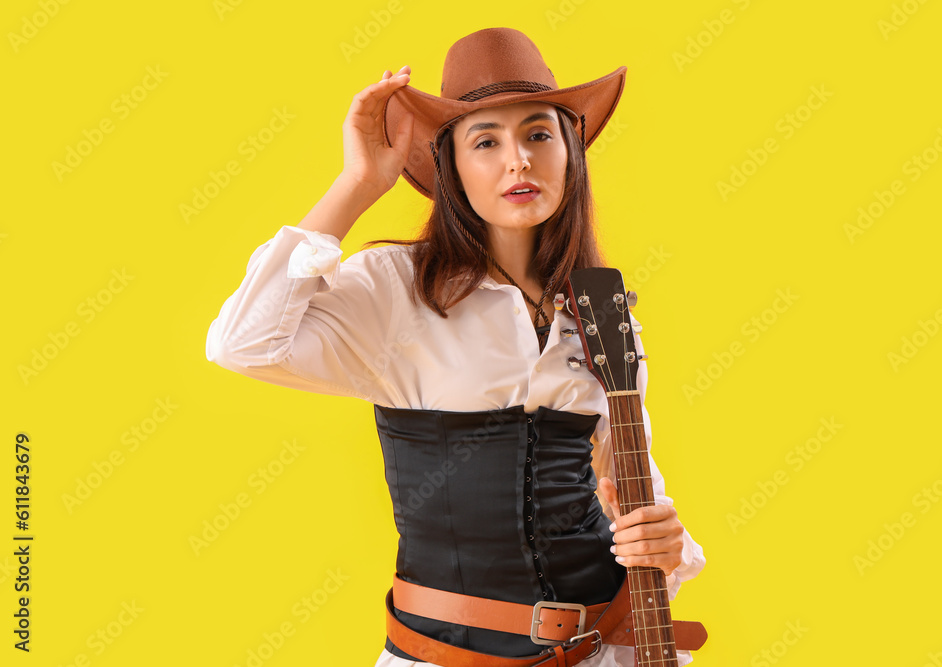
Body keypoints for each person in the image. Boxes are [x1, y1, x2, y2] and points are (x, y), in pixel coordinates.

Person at [206, 27, 705, 667]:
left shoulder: (602, 307)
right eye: (486, 142)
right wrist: (358, 183)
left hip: (605, 648)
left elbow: (628, 483)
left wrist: (662, 538)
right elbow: (242, 344)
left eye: (538, 134)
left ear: (570, 151)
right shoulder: (395, 289)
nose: (518, 161)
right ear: (451, 166)